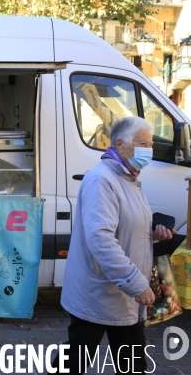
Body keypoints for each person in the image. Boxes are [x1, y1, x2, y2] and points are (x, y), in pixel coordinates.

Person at [55, 116, 173, 374]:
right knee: (77, 359)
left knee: (131, 364)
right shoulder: (103, 179)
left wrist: (153, 232)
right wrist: (136, 283)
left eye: (151, 143)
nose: (148, 149)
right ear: (120, 144)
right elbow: (101, 239)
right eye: (143, 143)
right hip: (99, 292)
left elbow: (123, 227)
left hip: (121, 293)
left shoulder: (129, 177)